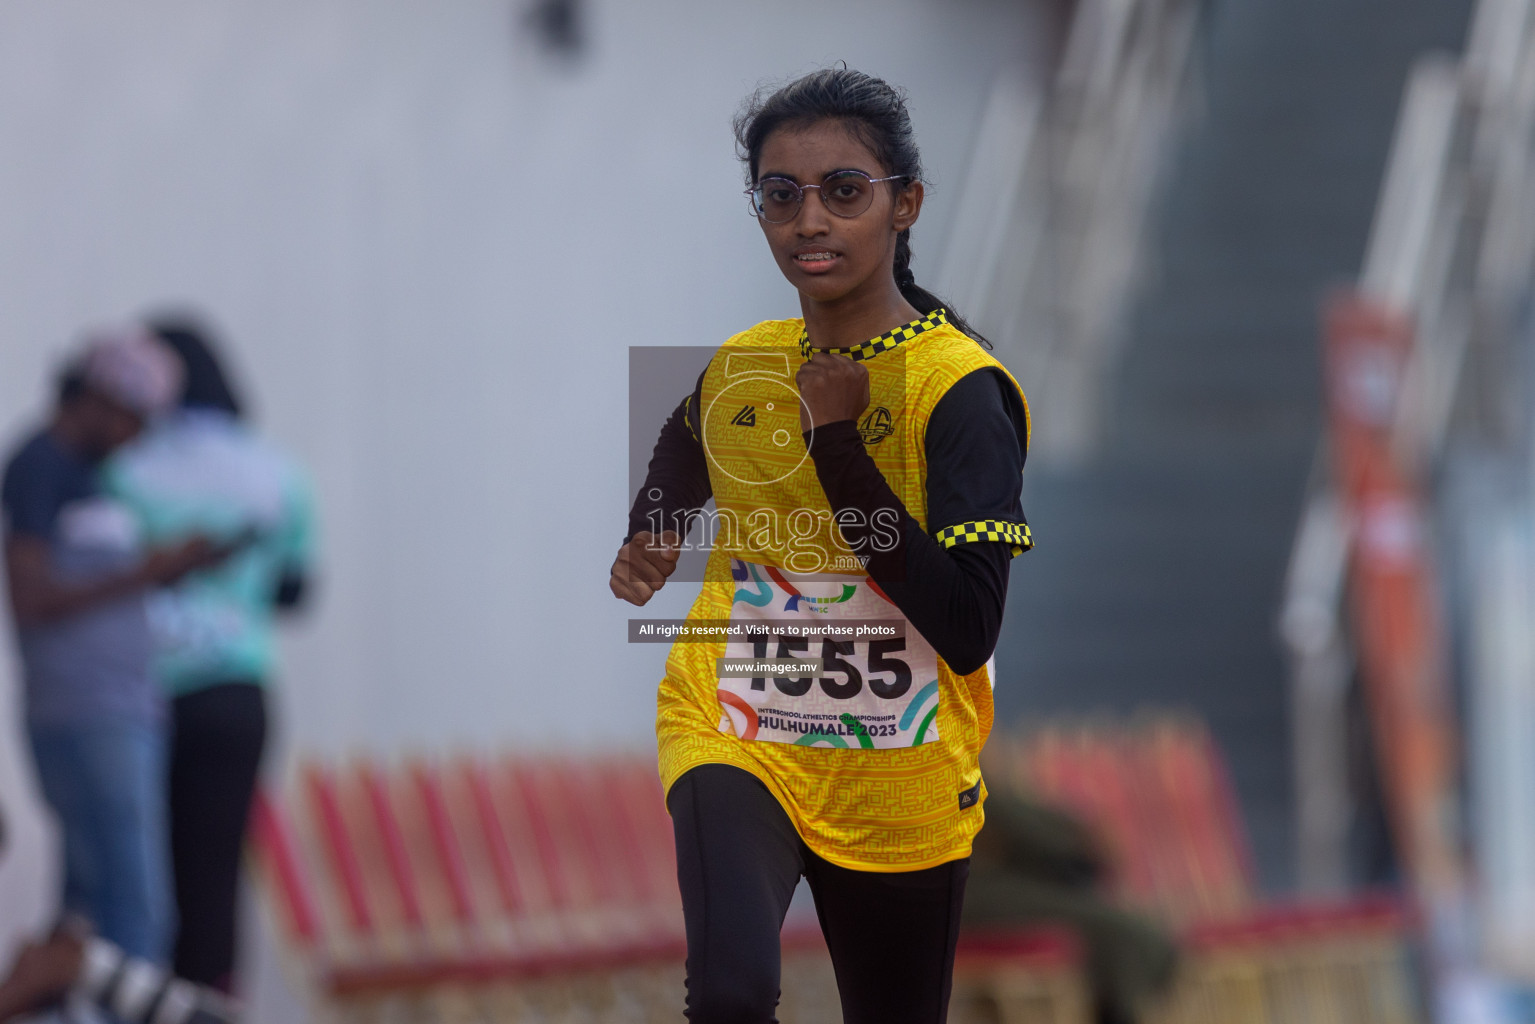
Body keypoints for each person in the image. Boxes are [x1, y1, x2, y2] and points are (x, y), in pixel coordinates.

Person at [610, 69, 1032, 1023]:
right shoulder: (748, 360)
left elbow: (966, 626)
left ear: (903, 204)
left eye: (844, 191)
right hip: (732, 723)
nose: (809, 221)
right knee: (728, 995)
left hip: (898, 765)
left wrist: (839, 447)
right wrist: (657, 526)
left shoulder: (961, 393)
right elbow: (688, 436)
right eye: (779, 195)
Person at [103, 315, 316, 994]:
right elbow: (295, 588)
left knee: (141, 883)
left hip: (146, 691)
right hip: (235, 690)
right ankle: (211, 1010)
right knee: (217, 876)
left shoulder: (125, 465)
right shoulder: (275, 470)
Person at [2, 329, 225, 964]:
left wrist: (164, 572)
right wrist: (145, 573)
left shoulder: (91, 477)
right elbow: (32, 596)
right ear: (99, 399)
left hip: (118, 707)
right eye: (134, 418)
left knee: (92, 903)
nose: (138, 436)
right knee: (134, 906)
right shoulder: (40, 466)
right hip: (87, 712)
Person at [962, 790, 1179, 1024]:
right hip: (967, 897)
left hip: (992, 884)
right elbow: (1022, 826)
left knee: (1128, 931)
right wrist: (1080, 839)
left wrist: (1079, 837)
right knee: (1118, 933)